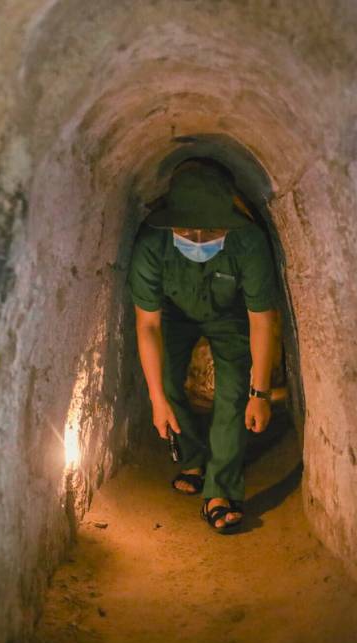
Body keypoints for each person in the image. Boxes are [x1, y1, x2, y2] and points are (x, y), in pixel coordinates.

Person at [127, 158, 279, 534]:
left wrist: (259, 392)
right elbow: (147, 324)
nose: (197, 239)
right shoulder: (152, 243)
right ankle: (192, 457)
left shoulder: (248, 242)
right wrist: (156, 399)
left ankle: (220, 489)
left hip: (229, 315)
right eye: (188, 230)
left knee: (233, 393)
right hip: (173, 315)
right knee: (165, 379)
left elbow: (262, 319)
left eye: (210, 230)